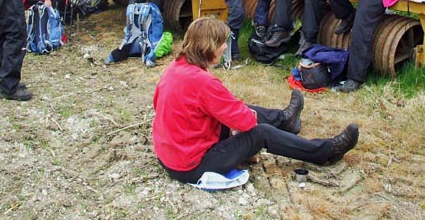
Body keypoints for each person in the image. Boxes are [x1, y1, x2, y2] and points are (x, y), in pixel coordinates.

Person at [152, 17, 360, 184]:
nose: (225, 47)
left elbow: (158, 105)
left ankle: (285, 119)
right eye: (222, 42)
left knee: (236, 109)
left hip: (172, 155)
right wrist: (243, 119)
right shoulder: (203, 82)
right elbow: (246, 123)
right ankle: (325, 152)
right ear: (209, 46)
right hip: (191, 165)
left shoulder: (175, 68)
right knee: (260, 133)